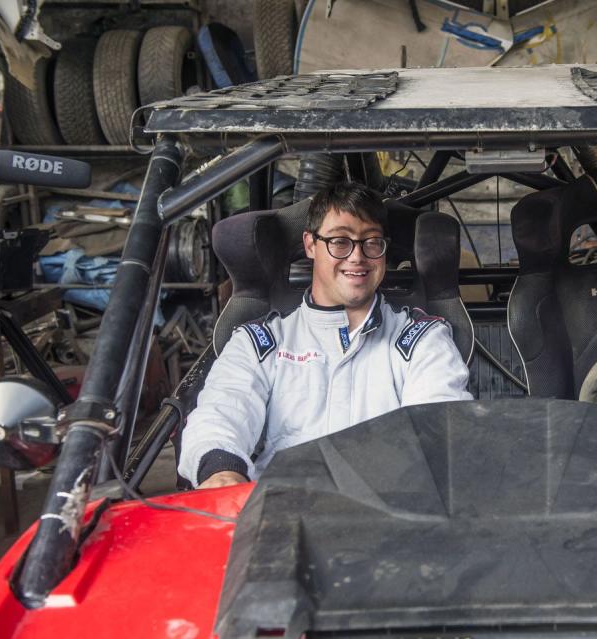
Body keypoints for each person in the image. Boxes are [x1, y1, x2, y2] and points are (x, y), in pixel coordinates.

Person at [179, 183, 472, 488]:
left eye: (371, 242)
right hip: (279, 515)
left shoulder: (422, 340)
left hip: (391, 516)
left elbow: (440, 425)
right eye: (340, 241)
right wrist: (222, 472)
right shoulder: (258, 343)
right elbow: (221, 415)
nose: (357, 256)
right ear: (310, 244)